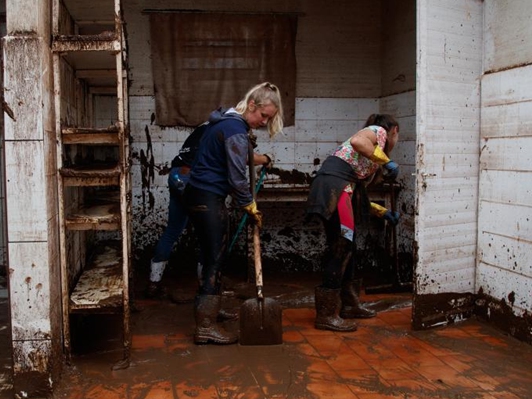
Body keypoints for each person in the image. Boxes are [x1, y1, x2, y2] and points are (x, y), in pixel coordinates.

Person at [183, 82, 284, 345]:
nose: (264, 122)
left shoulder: (225, 123)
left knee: (209, 257)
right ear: (252, 105)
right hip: (208, 197)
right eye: (263, 116)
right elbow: (238, 176)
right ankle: (205, 326)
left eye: (269, 118)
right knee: (215, 259)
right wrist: (248, 204)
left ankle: (211, 312)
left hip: (198, 195)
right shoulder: (235, 129)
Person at [147, 120, 272, 298]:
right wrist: (266, 158)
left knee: (173, 229)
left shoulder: (205, 127)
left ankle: (154, 283)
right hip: (194, 178)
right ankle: (206, 286)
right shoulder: (229, 130)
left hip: (177, 174)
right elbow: (243, 158)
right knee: (209, 236)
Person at [305, 114, 401, 332]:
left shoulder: (372, 159)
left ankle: (349, 304)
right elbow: (358, 142)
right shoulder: (379, 132)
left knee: (349, 246)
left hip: (338, 191)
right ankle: (327, 314)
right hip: (335, 188)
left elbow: (359, 195)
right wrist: (387, 162)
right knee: (341, 246)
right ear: (394, 130)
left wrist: (382, 212)